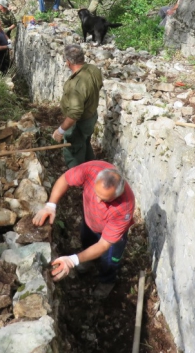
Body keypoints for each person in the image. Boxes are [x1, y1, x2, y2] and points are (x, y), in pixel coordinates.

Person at [32, 161, 135, 299]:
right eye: (96, 193)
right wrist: (51, 206)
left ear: (117, 195)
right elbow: (65, 179)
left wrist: (72, 260)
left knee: (110, 260)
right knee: (86, 240)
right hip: (90, 220)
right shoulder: (92, 169)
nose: (97, 201)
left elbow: (104, 244)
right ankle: (87, 260)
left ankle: (107, 281)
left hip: (109, 236)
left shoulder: (124, 208)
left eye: (105, 200)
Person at [52, 44, 103, 168]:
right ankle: (93, 168)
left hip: (80, 122)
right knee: (85, 142)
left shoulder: (76, 85)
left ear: (68, 62)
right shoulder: (93, 69)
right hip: (91, 116)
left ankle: (76, 177)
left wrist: (60, 131)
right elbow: (99, 85)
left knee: (73, 149)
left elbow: (74, 114)